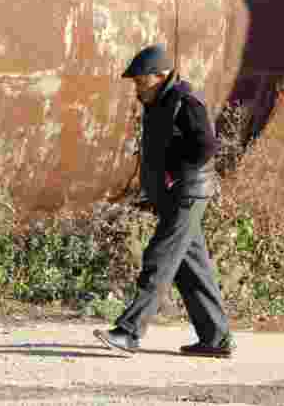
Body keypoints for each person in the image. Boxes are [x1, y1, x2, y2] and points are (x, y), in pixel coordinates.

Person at [94, 44, 235, 358]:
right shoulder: (161, 101)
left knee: (160, 259)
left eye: (140, 81)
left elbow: (206, 147)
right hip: (176, 194)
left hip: (188, 194)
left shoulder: (185, 101)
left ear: (159, 76)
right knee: (191, 268)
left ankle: (129, 332)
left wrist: (174, 171)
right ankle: (216, 339)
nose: (136, 87)